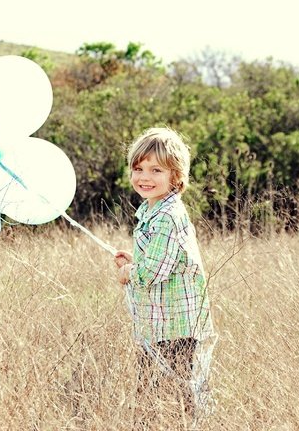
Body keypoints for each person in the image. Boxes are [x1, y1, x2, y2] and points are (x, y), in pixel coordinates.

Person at [114, 127, 216, 426]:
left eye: (156, 169)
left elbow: (150, 274)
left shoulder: (168, 216)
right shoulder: (151, 210)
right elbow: (163, 262)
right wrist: (136, 261)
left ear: (176, 176)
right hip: (157, 324)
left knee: (176, 392)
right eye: (138, 168)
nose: (144, 177)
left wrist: (128, 273)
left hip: (176, 325)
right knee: (151, 390)